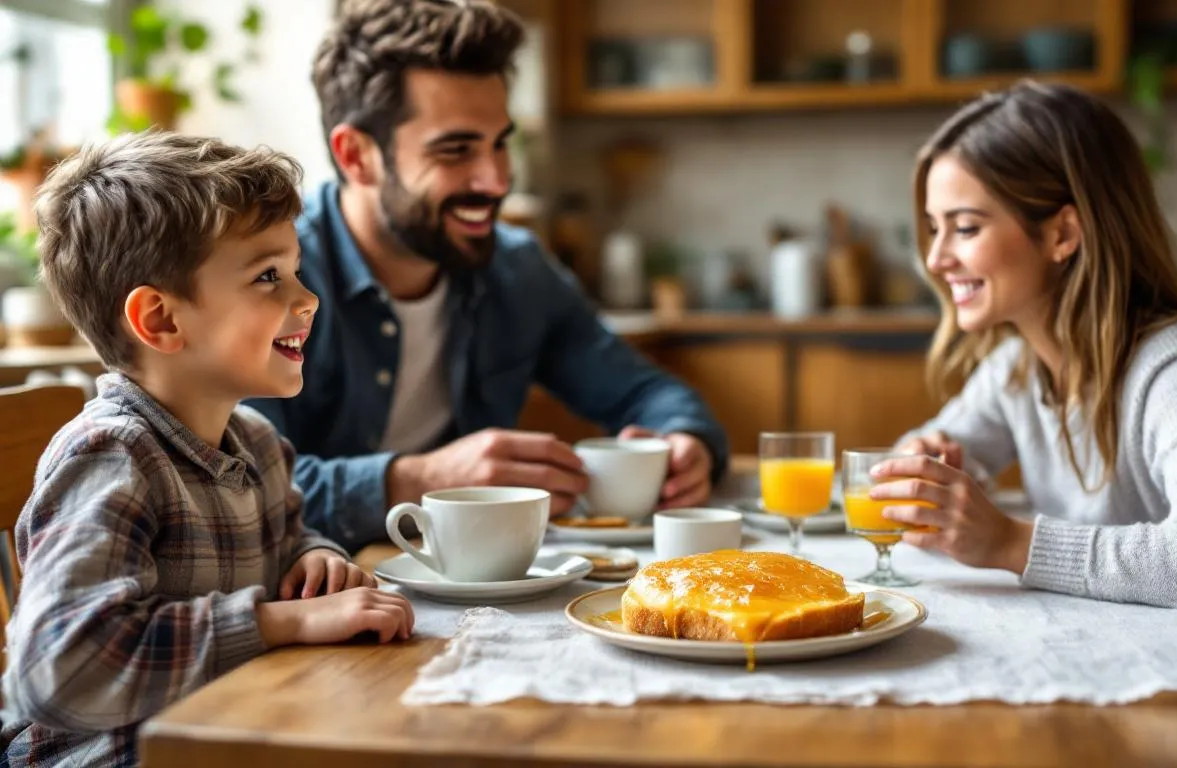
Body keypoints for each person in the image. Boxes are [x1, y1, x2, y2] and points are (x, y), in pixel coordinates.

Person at [245, 0, 728, 552]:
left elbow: (647, 393)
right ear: (357, 156)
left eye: (500, 143)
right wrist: (419, 479)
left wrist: (689, 444)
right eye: (456, 150)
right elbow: (234, 491)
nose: (496, 180)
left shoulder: (516, 268)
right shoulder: (264, 282)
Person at [1, 132, 415, 767]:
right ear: (162, 320)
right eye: (268, 277)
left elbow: (291, 542)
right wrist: (285, 622)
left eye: (296, 272)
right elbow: (58, 667)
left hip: (236, 728)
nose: (307, 300)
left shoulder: (255, 441)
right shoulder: (112, 456)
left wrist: (318, 562)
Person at [870, 81, 1177, 615]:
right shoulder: (1016, 368)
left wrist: (1010, 544)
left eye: (965, 228)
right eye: (932, 229)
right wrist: (920, 460)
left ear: (1063, 233)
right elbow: (933, 448)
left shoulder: (1176, 363)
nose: (936, 259)